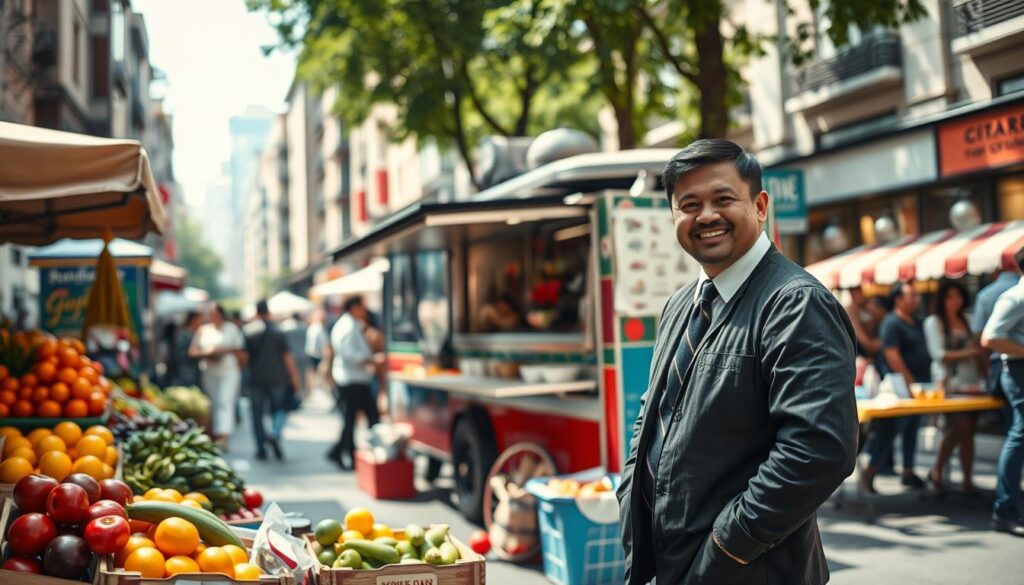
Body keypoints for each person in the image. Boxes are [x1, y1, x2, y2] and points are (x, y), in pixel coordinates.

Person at [617, 140, 857, 585]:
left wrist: (727, 545)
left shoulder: (795, 304)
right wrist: (630, 491)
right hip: (667, 563)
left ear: (760, 206)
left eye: (723, 199)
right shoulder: (680, 305)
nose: (706, 216)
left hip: (746, 569)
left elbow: (818, 450)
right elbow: (653, 410)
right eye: (689, 205)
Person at [861, 283, 931, 493]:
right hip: (899, 386)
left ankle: (908, 471)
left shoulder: (916, 322)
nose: (916, 299)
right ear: (898, 299)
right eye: (911, 295)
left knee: (912, 427)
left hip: (918, 384)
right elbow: (892, 355)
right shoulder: (891, 323)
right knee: (892, 429)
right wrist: (910, 382)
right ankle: (871, 472)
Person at [923, 280, 987, 496]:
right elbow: (938, 354)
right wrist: (970, 352)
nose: (955, 301)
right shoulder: (934, 322)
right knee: (960, 426)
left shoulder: (967, 320)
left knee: (969, 430)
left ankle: (965, 480)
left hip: (973, 383)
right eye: (950, 297)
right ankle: (938, 471)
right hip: (949, 384)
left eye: (958, 296)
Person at [982, 247, 1024, 537]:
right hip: (1019, 372)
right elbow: (990, 337)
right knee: (1019, 434)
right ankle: (1005, 510)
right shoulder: (1016, 296)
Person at [326, 296, 382, 469]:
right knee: (367, 417)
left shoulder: (349, 324)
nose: (364, 311)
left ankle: (340, 452)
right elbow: (349, 355)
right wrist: (371, 360)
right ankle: (358, 453)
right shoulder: (348, 326)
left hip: (352, 379)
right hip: (353, 380)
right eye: (362, 307)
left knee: (351, 419)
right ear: (354, 307)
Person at [243, 300, 302, 461]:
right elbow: (288, 359)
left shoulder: (249, 332)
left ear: (256, 313)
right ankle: (275, 434)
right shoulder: (278, 332)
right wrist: (295, 381)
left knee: (257, 414)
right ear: (268, 312)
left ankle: (261, 448)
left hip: (256, 378)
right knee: (279, 409)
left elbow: (244, 358)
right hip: (278, 378)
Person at [189, 303, 245, 450]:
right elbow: (193, 351)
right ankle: (214, 433)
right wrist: (208, 353)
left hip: (228, 372)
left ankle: (224, 436)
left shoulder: (231, 329)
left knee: (225, 402)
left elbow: (239, 350)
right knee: (214, 402)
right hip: (210, 372)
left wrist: (223, 350)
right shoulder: (203, 330)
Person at [280, 312, 309, 399]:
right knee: (302, 375)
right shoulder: (303, 327)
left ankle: (296, 393)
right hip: (302, 354)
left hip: (291, 355)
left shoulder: (286, 328)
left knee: (292, 375)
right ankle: (303, 393)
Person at [174, 311, 204, 388]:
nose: (201, 322)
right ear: (193, 320)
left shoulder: (195, 333)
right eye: (200, 319)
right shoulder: (185, 335)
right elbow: (182, 355)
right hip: (186, 373)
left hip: (194, 372)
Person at [305, 309, 329, 394]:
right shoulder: (319, 328)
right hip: (318, 355)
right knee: (319, 376)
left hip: (311, 354)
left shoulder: (312, 327)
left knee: (313, 374)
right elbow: (324, 344)